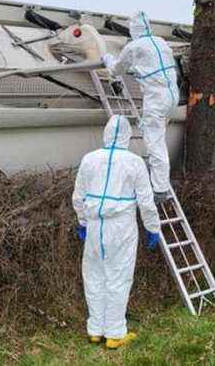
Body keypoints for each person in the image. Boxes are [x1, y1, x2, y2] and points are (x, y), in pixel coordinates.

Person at [72, 114, 162, 349]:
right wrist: (153, 228)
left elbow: (78, 196)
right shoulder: (133, 162)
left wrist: (82, 222)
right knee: (118, 276)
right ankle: (114, 334)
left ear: (106, 133)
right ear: (127, 136)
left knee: (93, 275)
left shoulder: (89, 159)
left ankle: (95, 330)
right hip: (121, 226)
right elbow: (146, 200)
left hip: (94, 225)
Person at [102, 11, 180, 202]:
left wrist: (107, 59)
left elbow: (115, 70)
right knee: (156, 132)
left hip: (157, 97)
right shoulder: (160, 42)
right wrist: (138, 69)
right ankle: (159, 177)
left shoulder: (133, 46)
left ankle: (160, 189)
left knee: (154, 142)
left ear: (133, 29)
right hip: (172, 94)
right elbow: (157, 65)